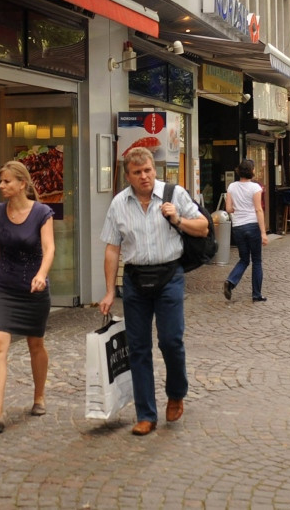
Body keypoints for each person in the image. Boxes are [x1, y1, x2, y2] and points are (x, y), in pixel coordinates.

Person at [98, 147, 206, 436]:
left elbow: (204, 227)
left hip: (169, 275)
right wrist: (109, 291)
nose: (144, 176)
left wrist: (178, 220)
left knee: (171, 340)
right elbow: (112, 248)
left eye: (147, 170)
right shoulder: (119, 204)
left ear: (153, 169)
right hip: (134, 280)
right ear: (128, 176)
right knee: (138, 348)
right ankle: (146, 414)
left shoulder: (174, 194)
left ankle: (176, 392)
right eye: (137, 173)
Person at [0, 161, 55, 433]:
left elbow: (49, 248)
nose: (2, 186)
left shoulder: (42, 212)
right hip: (4, 288)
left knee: (36, 344)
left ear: (22, 184)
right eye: (1, 181)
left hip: (33, 289)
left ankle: (39, 395)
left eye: (7, 181)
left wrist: (42, 274)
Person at [222, 159, 268, 302]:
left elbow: (228, 209)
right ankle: (256, 294)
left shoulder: (232, 187)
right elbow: (258, 209)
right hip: (252, 225)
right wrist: (263, 232)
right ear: (251, 171)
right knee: (257, 261)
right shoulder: (255, 188)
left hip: (238, 227)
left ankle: (231, 281)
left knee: (243, 259)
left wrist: (236, 208)